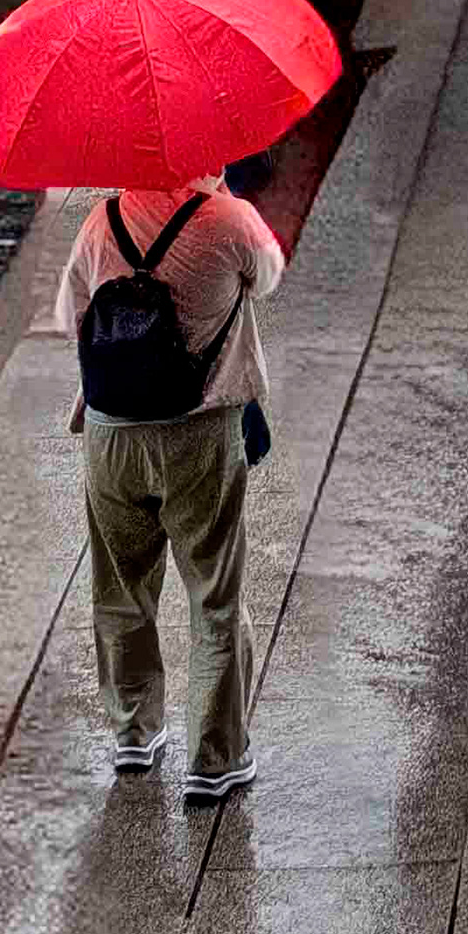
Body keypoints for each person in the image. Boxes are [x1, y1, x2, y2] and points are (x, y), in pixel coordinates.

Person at [56, 166, 285, 805]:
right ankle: (216, 759)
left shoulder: (99, 223)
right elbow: (266, 278)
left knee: (119, 586)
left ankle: (134, 731)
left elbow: (69, 314)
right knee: (214, 592)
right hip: (198, 435)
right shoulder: (229, 220)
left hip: (111, 437)